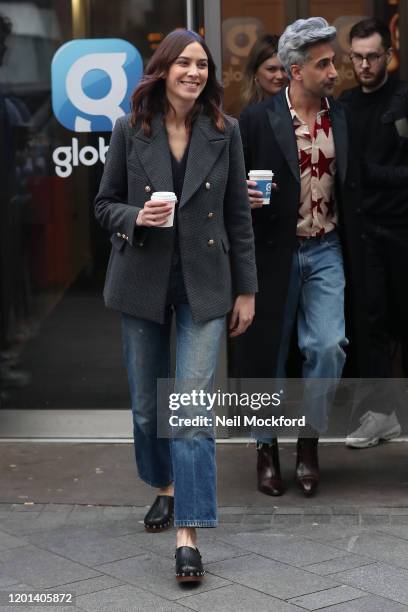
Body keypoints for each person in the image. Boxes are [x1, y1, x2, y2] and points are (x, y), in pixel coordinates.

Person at [94, 29, 257, 583]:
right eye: (184, 63)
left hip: (204, 286)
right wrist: (136, 217)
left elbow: (239, 215)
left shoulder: (224, 131)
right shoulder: (128, 130)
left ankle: (189, 534)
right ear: (163, 70)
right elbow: (103, 204)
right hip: (142, 281)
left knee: (189, 413)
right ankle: (163, 484)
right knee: (147, 408)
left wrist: (247, 289)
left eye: (203, 65)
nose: (195, 72)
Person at [236, 17, 368, 497]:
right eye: (324, 63)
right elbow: (235, 187)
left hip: (327, 247)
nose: (335, 70)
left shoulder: (343, 115)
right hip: (275, 250)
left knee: (329, 345)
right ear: (295, 71)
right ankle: (265, 447)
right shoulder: (257, 120)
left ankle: (308, 441)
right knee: (268, 354)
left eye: (333, 61)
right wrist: (243, 198)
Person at [339, 18, 407, 448]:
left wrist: (367, 175)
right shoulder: (343, 104)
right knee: (371, 326)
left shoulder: (403, 101)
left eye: (372, 56)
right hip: (361, 234)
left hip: (401, 231)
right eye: (357, 57)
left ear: (387, 55)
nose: (364, 64)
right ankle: (382, 415)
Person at [240, 34, 288, 107]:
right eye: (271, 69)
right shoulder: (245, 113)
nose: (280, 76)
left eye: (284, 69)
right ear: (255, 72)